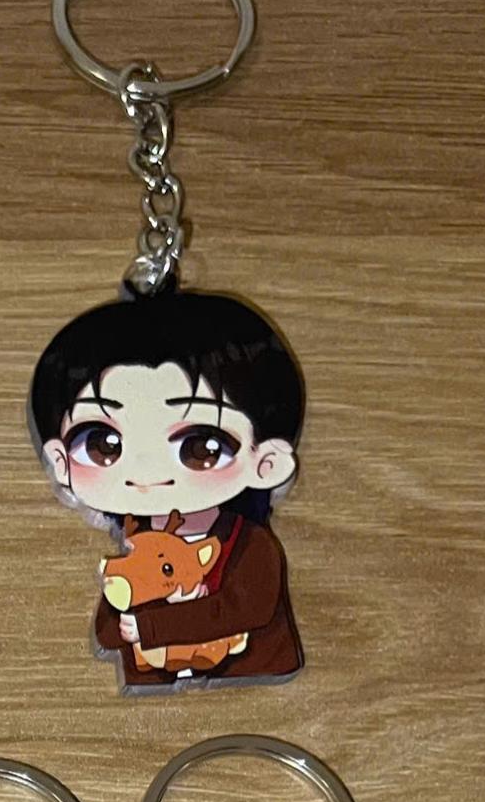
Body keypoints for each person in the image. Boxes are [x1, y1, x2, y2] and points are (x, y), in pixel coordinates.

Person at [30, 285, 305, 686]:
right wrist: (125, 606)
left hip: (249, 680)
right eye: (103, 444)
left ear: (266, 462)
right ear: (59, 461)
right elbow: (108, 632)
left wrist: (149, 626)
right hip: (152, 686)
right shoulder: (137, 543)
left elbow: (245, 609)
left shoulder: (249, 544)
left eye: (202, 447)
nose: (145, 472)